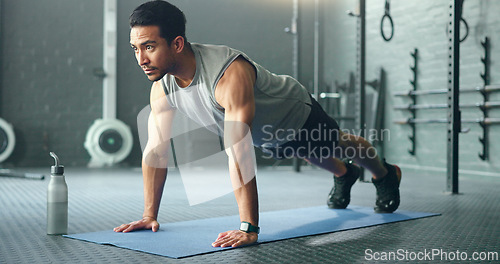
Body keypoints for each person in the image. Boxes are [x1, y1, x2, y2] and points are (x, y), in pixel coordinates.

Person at [114, 0, 402, 248]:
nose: (141, 59)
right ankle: (344, 174)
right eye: (135, 48)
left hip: (294, 113)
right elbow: (156, 151)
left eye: (149, 47)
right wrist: (150, 214)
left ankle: (385, 174)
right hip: (268, 135)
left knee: (336, 144)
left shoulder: (228, 73)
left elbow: (238, 150)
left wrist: (248, 227)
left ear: (176, 43)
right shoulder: (162, 87)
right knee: (309, 153)